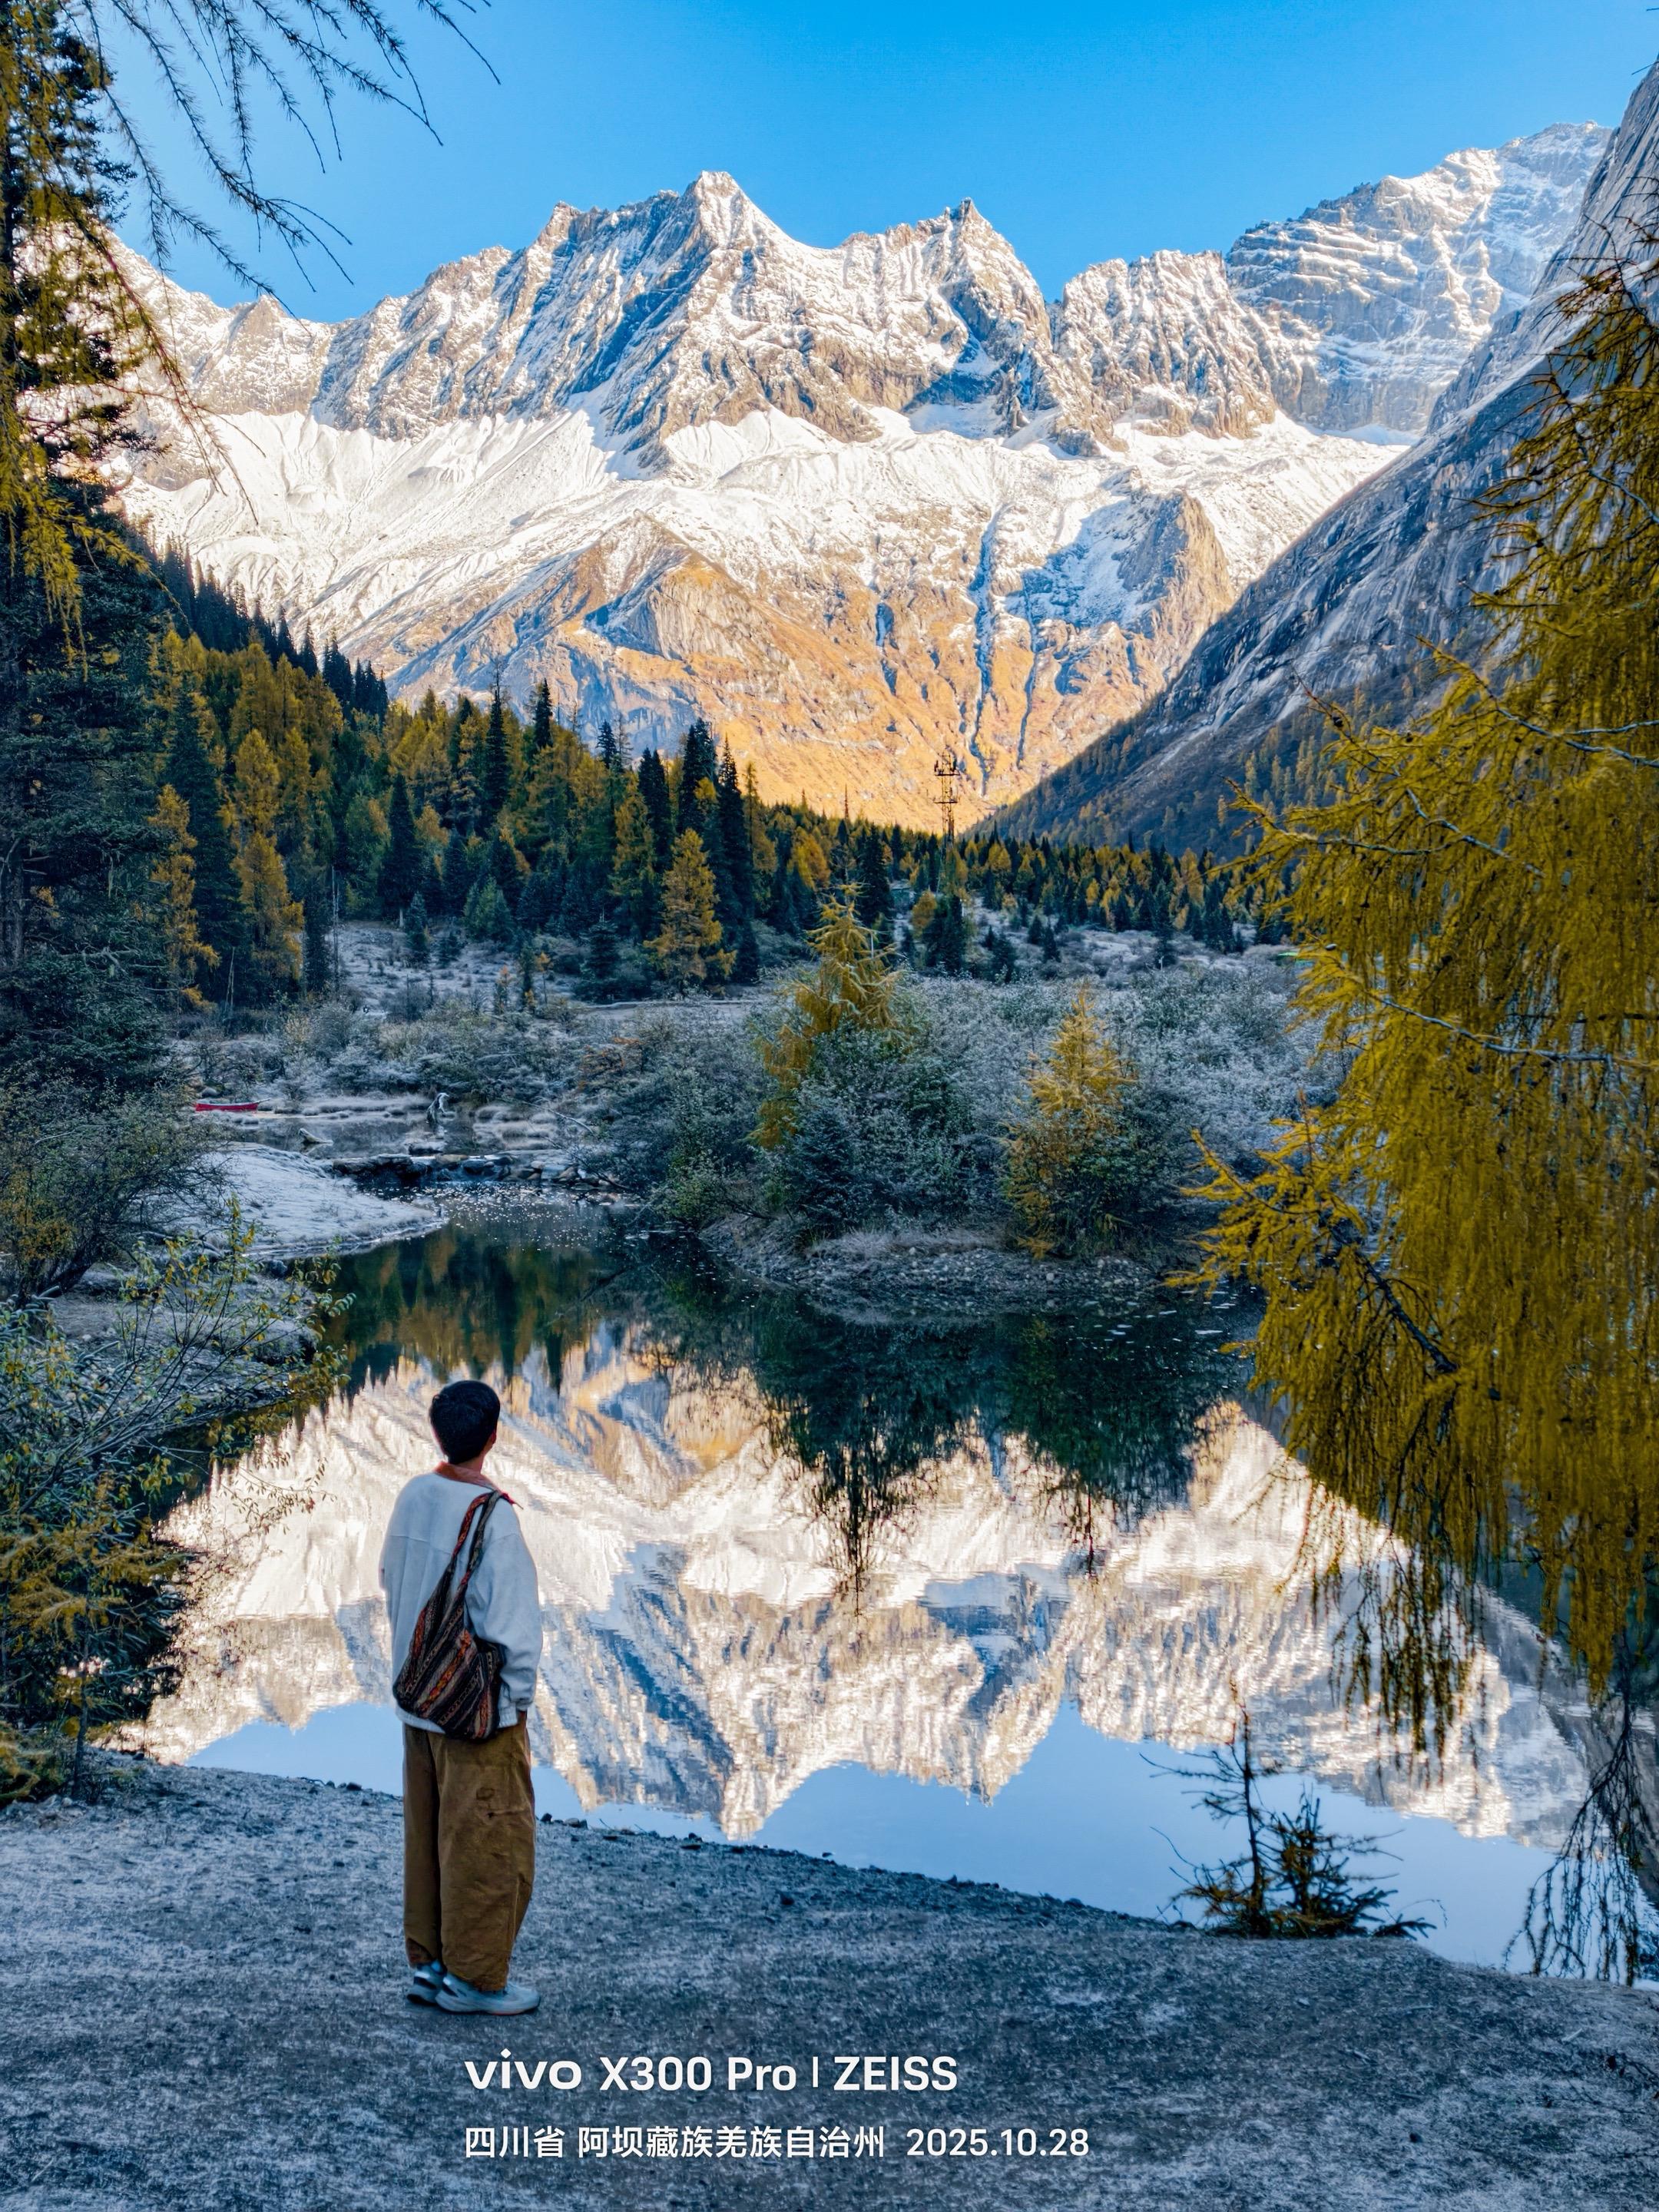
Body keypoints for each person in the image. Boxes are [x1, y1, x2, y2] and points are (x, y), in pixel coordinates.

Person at [379, 1377, 544, 2015]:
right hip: (475, 1713)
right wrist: (515, 1704)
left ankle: (430, 1965)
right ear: (493, 1437)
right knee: (488, 1844)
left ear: (438, 1434)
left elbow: (391, 1580)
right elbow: (513, 1629)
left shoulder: (412, 1496)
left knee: (427, 1837)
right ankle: (475, 1981)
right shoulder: (494, 1518)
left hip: (418, 1699)